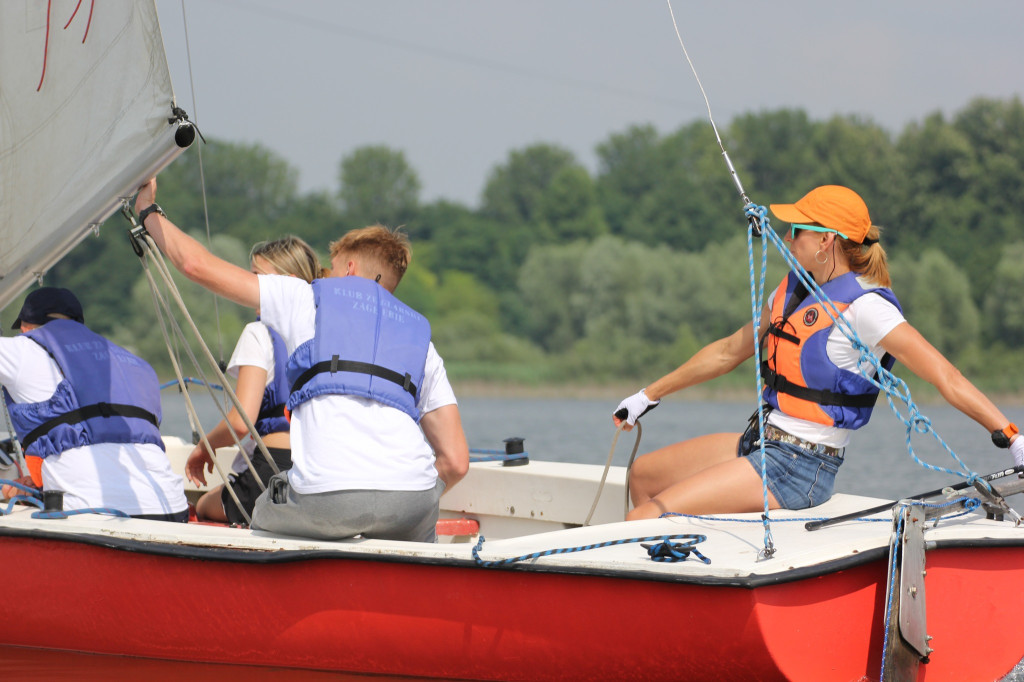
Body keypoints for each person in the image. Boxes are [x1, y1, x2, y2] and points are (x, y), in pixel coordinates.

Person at [614, 185, 1024, 520]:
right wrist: (647, 396)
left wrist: (1011, 438)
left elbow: (945, 376)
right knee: (644, 477)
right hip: (762, 440)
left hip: (800, 467)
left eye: (797, 230)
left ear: (827, 240)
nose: (788, 237)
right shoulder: (793, 289)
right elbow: (726, 352)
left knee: (643, 518)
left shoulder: (867, 309)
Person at [134, 178, 469, 542]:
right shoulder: (422, 340)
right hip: (414, 501)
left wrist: (147, 212)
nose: (324, 276)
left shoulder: (305, 297)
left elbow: (196, 265)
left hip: (328, 497)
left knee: (258, 516)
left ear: (351, 268)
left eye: (332, 267)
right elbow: (455, 462)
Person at [0, 287, 189, 521]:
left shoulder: (22, 350)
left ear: (25, 327)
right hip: (172, 508)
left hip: (92, 512)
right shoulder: (130, 360)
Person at [187, 236, 325, 524]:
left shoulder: (259, 333)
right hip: (322, 471)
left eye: (257, 278)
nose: (249, 286)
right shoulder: (330, 337)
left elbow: (241, 422)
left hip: (273, 471)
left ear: (287, 283)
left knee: (202, 505)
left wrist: (204, 448)